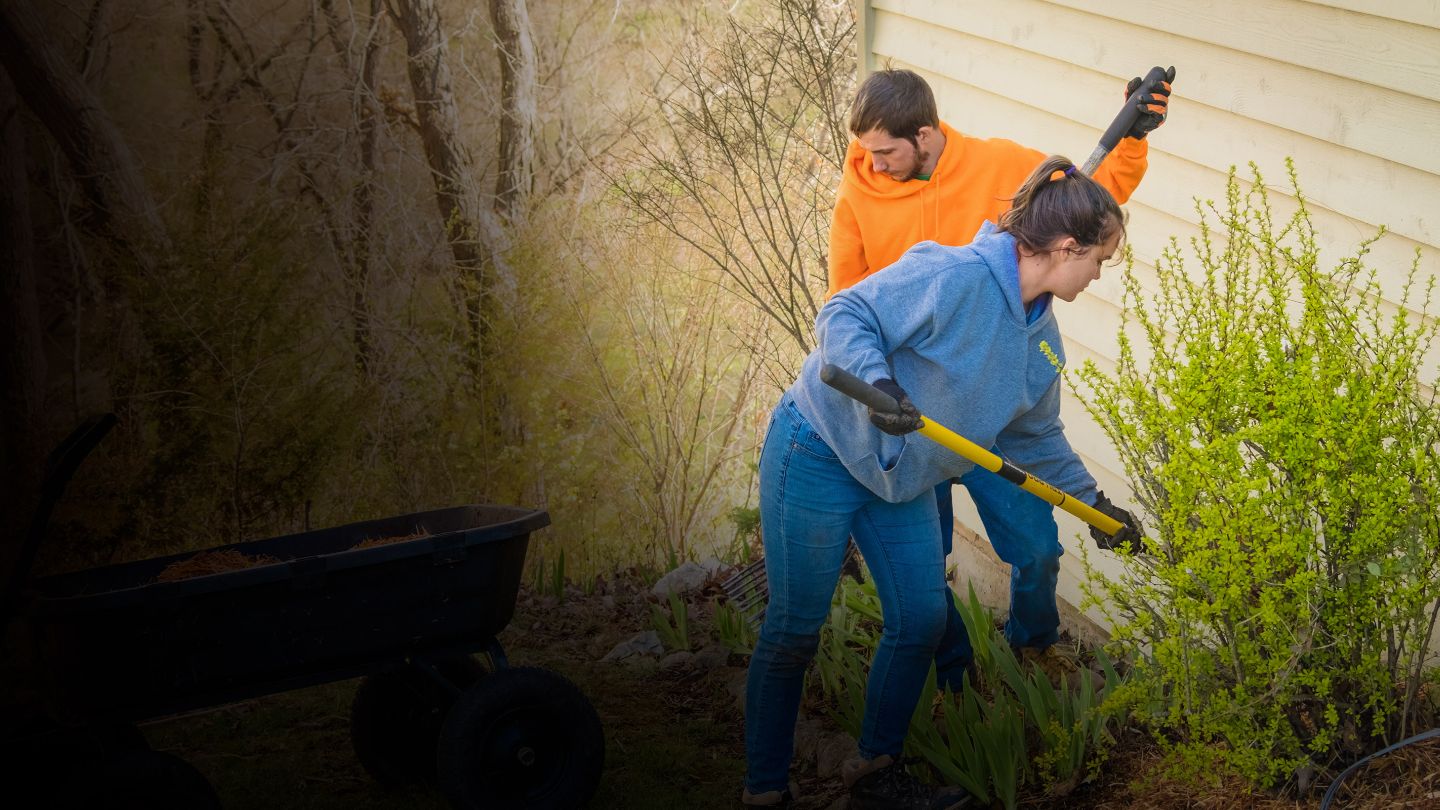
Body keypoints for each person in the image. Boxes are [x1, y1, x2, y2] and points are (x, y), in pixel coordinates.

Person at [742, 156, 1141, 808]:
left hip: (899, 479)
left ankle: (875, 772)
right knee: (795, 628)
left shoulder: (1042, 340)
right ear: (1066, 248)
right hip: (823, 447)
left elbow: (1036, 436)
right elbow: (844, 315)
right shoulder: (952, 275)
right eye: (1099, 259)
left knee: (922, 618)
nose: (1099, 274)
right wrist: (879, 384)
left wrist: (1097, 506)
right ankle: (763, 789)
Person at [828, 68, 1170, 690]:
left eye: (886, 153)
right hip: (912, 416)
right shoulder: (859, 198)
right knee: (923, 570)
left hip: (995, 413)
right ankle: (956, 679)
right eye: (868, 154)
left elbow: (1087, 209)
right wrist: (875, 397)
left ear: (925, 134)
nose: (873, 166)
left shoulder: (1000, 168)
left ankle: (1033, 647)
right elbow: (847, 303)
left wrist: (1134, 136)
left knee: (1037, 547)